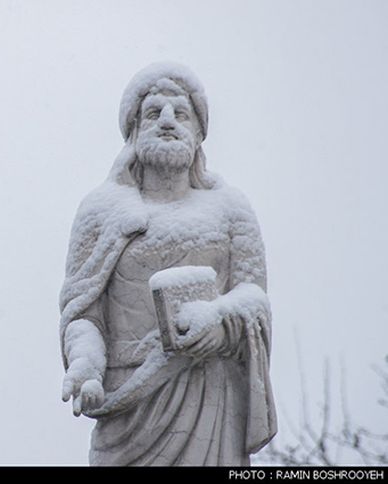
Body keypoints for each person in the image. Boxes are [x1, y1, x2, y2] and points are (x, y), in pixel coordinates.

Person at [58, 62, 277, 466]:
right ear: (134, 129)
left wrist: (220, 320)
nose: (167, 121)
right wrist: (86, 362)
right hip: (127, 402)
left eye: (181, 113)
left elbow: (254, 297)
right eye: (154, 112)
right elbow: (82, 313)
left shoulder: (230, 208)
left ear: (198, 132)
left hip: (209, 396)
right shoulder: (101, 211)